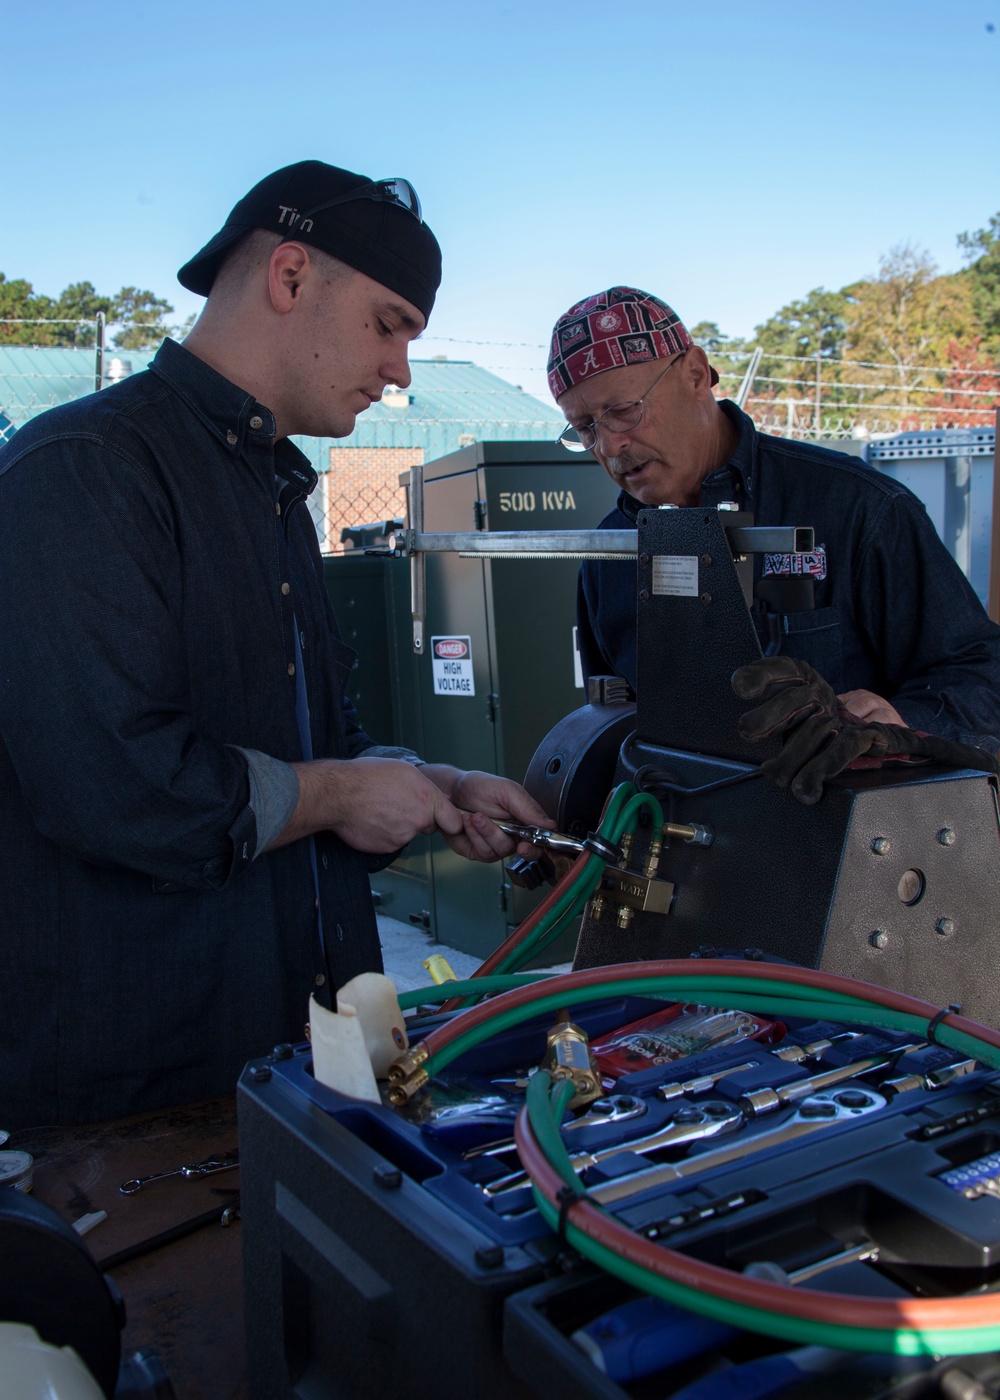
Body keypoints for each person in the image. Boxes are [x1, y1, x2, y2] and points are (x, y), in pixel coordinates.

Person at [0, 160, 550, 1127]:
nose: (401, 372)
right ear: (291, 277)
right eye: (389, 325)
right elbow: (119, 790)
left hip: (301, 1061)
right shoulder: (82, 471)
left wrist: (428, 784)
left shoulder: (274, 488)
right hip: (142, 1100)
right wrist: (340, 793)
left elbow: (295, 750)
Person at [548, 285, 1000, 756]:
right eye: (585, 428)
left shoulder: (856, 508)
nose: (608, 446)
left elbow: (983, 672)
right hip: (679, 821)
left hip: (844, 817)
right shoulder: (611, 550)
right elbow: (613, 719)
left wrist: (900, 723)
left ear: (697, 375)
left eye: (622, 412)